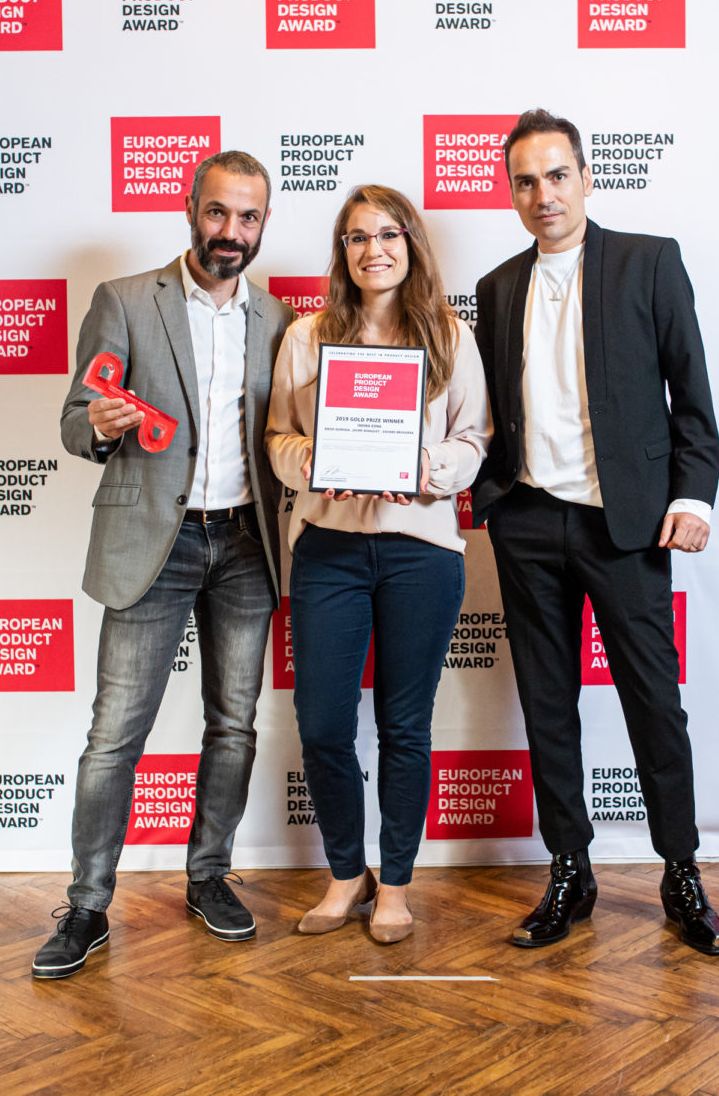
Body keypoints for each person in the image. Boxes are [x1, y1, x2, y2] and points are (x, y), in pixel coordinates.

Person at [470, 109, 719, 956]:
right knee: (548, 706)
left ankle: (681, 872)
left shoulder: (649, 262)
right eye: (525, 181)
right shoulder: (496, 288)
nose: (543, 194)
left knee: (654, 701)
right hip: (527, 522)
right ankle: (569, 871)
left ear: (586, 177)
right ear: (512, 193)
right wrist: (484, 494)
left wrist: (693, 499)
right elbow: (488, 413)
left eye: (557, 175)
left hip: (627, 527)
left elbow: (693, 395)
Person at [32, 151, 295, 979]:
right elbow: (75, 420)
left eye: (247, 217)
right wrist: (100, 424)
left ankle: (209, 876)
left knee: (235, 723)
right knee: (115, 734)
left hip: (247, 545)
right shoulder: (124, 300)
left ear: (263, 224)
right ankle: (87, 905)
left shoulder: (281, 320)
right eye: (217, 212)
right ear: (190, 210)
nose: (230, 231)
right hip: (154, 541)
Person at [266, 185, 491, 943]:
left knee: (404, 727)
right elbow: (278, 437)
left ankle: (394, 884)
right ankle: (345, 874)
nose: (375, 250)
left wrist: (427, 467)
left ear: (411, 246)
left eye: (389, 235)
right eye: (358, 237)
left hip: (420, 551)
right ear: (344, 252)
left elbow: (475, 440)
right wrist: (310, 461)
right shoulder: (306, 337)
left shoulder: (451, 337)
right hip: (328, 549)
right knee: (324, 724)